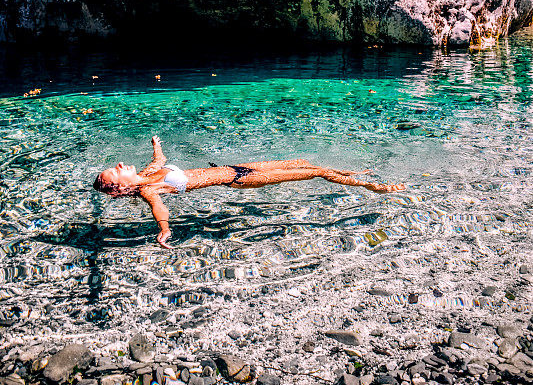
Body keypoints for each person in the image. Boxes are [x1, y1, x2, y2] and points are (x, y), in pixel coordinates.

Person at [93, 137, 406, 248]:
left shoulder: (148, 173)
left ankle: (352, 175)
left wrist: (156, 145)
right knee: (317, 172)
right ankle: (372, 186)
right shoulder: (148, 190)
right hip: (238, 181)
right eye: (115, 169)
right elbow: (160, 209)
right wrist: (164, 229)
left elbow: (159, 161)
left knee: (300, 162)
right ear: (119, 185)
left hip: (234, 166)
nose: (120, 163)